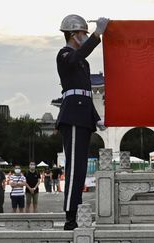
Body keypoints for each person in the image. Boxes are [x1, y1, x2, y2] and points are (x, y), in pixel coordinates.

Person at [56, 14, 109, 230]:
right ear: (72, 35)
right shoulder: (65, 55)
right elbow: (78, 55)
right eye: (82, 34)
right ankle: (71, 215)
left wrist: (97, 118)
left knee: (79, 170)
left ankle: (75, 210)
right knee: (75, 168)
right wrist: (97, 35)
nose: (84, 37)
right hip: (73, 116)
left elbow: (86, 93)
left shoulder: (82, 62)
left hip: (83, 116)